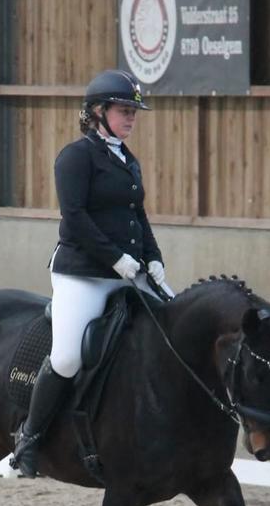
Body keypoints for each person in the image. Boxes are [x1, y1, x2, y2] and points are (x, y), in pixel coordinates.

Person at [12, 68, 172, 478]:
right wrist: (116, 258)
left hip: (128, 272)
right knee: (66, 357)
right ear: (97, 112)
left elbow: (138, 216)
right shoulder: (75, 157)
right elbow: (76, 218)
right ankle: (29, 439)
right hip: (82, 274)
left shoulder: (127, 160)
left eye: (133, 113)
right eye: (124, 111)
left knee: (170, 334)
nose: (131, 119)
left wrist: (153, 258)